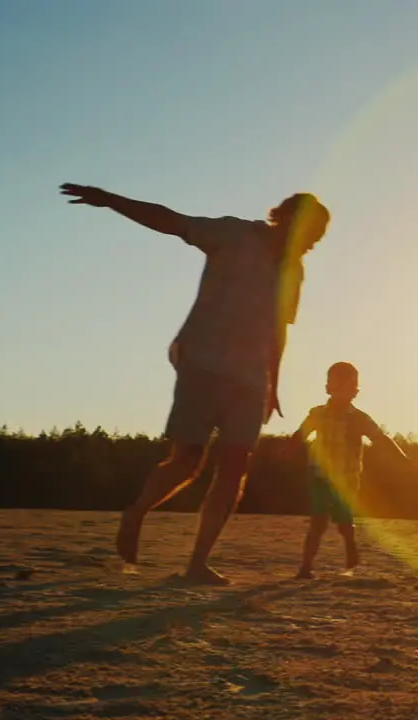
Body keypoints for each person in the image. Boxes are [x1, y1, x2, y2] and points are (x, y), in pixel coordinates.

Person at [59, 182, 330, 585]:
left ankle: (197, 563)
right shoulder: (232, 233)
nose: (308, 246)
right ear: (286, 218)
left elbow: (278, 329)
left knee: (235, 467)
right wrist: (112, 200)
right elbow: (171, 221)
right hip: (203, 361)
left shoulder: (295, 270)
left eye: (315, 241)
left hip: (252, 379)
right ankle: (136, 512)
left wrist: (274, 383)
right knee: (187, 460)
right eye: (307, 235)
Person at [294, 361, 408, 579]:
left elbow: (380, 438)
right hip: (319, 476)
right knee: (317, 523)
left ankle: (350, 543)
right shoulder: (317, 414)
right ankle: (306, 567)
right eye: (337, 387)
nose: (342, 393)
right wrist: (282, 451)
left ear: (356, 392)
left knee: (344, 522)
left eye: (349, 388)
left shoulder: (360, 419)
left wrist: (402, 457)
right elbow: (300, 434)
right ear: (328, 388)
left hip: (346, 480)